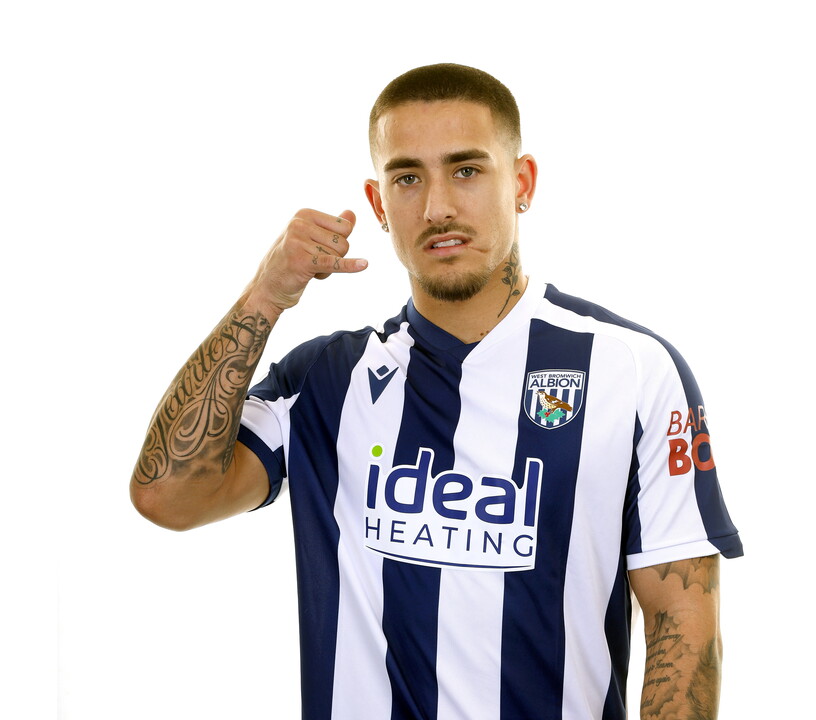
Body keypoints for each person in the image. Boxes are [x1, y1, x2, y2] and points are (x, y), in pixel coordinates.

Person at [131, 63, 743, 720]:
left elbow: (682, 621)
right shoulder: (324, 382)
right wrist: (265, 296)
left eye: (467, 170)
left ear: (522, 183)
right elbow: (167, 496)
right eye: (407, 177)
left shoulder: (632, 371)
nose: (438, 206)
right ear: (377, 204)